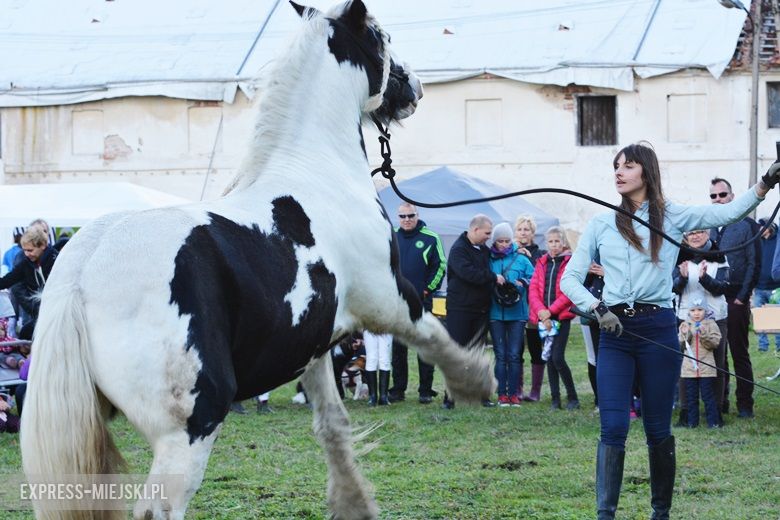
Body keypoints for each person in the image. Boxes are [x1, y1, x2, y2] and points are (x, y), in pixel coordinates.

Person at [560, 142, 776, 519]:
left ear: (646, 172)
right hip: (614, 332)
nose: (619, 172)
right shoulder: (600, 222)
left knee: (658, 429)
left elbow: (726, 212)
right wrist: (597, 309)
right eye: (616, 166)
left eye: (627, 166)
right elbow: (570, 279)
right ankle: (604, 515)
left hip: (657, 329)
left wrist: (765, 184)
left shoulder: (672, 215)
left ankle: (661, 513)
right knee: (613, 428)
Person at [709, 177, 758, 419]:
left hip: (736, 296)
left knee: (739, 351)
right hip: (714, 296)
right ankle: (721, 401)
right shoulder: (708, 226)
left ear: (731, 196)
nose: (718, 199)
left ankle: (745, 403)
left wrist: (743, 296)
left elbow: (753, 263)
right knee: (718, 353)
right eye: (713, 196)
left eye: (722, 195)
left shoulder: (747, 226)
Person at [388, 203, 446, 404]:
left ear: (417, 215)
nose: (406, 220)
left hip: (421, 301)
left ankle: (425, 390)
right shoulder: (391, 235)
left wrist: (427, 289)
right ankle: (398, 389)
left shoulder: (431, 238)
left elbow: (440, 266)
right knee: (398, 348)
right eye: (402, 216)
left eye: (410, 215)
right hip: (396, 301)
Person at [444, 214, 503, 409]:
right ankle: (450, 397)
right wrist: (493, 277)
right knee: (457, 353)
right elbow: (468, 274)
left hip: (481, 309)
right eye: (487, 233)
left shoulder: (484, 250)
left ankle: (481, 395)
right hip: (460, 309)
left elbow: (500, 252)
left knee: (478, 354)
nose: (489, 237)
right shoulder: (458, 249)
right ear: (475, 229)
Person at [672, 229, 730, 426]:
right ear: (685, 237)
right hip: (686, 319)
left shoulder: (719, 257)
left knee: (716, 365)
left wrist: (705, 278)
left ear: (708, 234)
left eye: (700, 232)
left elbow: (723, 287)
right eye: (691, 233)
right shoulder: (680, 257)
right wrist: (682, 278)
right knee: (685, 365)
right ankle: (686, 412)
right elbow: (673, 287)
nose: (695, 236)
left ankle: (716, 411)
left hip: (715, 318)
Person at [528, 226, 578, 411]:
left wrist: (551, 311)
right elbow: (533, 289)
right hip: (545, 319)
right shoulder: (541, 263)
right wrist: (541, 312)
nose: (554, 245)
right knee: (548, 358)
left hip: (560, 317)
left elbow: (568, 292)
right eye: (550, 241)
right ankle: (555, 399)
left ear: (563, 242)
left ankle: (572, 397)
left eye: (557, 241)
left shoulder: (569, 263)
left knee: (558, 357)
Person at [488, 222, 534, 407]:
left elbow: (535, 277)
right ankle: (501, 395)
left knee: (515, 355)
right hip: (495, 312)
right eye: (500, 241)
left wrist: (523, 281)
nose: (505, 244)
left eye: (507, 240)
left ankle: (514, 394)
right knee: (500, 355)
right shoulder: (488, 259)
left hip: (517, 313)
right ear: (494, 241)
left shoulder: (522, 259)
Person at [0, 227, 58, 339]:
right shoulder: (26, 264)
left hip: (57, 313)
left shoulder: (56, 261)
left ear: (42, 245)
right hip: (40, 313)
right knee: (25, 335)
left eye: (30, 250)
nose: (26, 254)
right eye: (24, 250)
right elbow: (8, 280)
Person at [513, 215, 547, 401]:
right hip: (515, 308)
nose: (523, 233)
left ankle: (535, 391)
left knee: (536, 349)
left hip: (534, 308)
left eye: (526, 229)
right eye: (520, 229)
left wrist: (529, 259)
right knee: (516, 350)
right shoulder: (510, 252)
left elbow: (540, 278)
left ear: (533, 233)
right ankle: (517, 388)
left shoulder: (540, 254)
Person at [678, 301, 722, 429]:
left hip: (706, 367)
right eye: (693, 310)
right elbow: (681, 345)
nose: (696, 313)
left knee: (708, 396)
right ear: (688, 312)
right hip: (689, 368)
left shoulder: (711, 324)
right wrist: (686, 334)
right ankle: (692, 423)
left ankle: (713, 422)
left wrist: (704, 334)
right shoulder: (685, 325)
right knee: (691, 397)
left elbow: (714, 344)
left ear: (705, 311)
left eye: (700, 310)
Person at [752, 218, 780, 353]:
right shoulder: (758, 243)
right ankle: (763, 346)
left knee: (777, 318)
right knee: (760, 319)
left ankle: (779, 346)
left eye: (761, 226)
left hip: (775, 287)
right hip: (759, 288)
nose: (759, 229)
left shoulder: (777, 241)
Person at [580, 259, 605, 410]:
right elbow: (584, 287)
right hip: (594, 316)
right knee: (596, 359)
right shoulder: (593, 257)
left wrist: (608, 274)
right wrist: (588, 273)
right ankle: (600, 399)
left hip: (616, 313)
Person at [363, 331, 392, 406]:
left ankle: (383, 396)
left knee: (385, 360)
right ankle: (372, 396)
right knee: (371, 359)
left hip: (386, 326)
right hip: (369, 326)